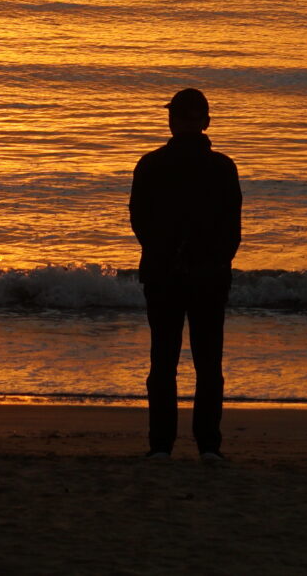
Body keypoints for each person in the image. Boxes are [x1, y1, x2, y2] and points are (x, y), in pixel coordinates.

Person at [128, 86, 241, 463]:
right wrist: (211, 262)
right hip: (207, 277)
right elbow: (231, 231)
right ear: (206, 122)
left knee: (163, 363)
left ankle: (162, 446)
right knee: (208, 364)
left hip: (164, 275)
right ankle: (208, 445)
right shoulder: (223, 168)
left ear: (172, 121)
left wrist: (168, 255)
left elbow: (140, 223)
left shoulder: (151, 164)